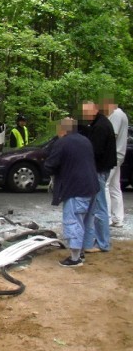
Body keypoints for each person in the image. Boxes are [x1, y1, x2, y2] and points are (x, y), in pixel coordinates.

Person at [44, 118, 99, 267]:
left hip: (76, 187)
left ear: (62, 129)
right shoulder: (85, 140)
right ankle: (81, 251)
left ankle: (75, 258)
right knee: (87, 221)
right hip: (92, 185)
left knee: (73, 220)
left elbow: (50, 164)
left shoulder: (62, 142)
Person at [79, 100, 117, 252]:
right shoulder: (97, 124)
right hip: (100, 169)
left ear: (94, 110)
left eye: (87, 112)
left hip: (100, 170)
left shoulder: (101, 126)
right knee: (95, 206)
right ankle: (97, 241)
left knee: (99, 207)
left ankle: (102, 243)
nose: (85, 115)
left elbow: (96, 151)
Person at [101, 97, 128, 228]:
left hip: (114, 154)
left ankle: (107, 218)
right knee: (115, 186)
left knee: (104, 184)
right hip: (119, 154)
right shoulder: (122, 114)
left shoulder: (116, 115)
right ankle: (118, 218)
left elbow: (113, 134)